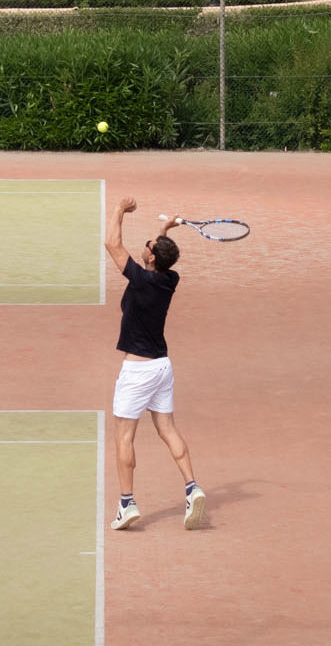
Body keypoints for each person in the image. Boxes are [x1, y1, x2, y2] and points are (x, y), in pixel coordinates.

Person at [104, 196, 205, 531]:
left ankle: (126, 503)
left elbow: (112, 243)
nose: (147, 244)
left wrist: (119, 210)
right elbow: (160, 256)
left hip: (137, 371)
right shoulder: (168, 279)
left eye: (149, 245)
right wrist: (165, 230)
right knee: (167, 429)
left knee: (123, 437)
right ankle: (192, 488)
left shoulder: (140, 279)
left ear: (149, 258)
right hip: (162, 368)